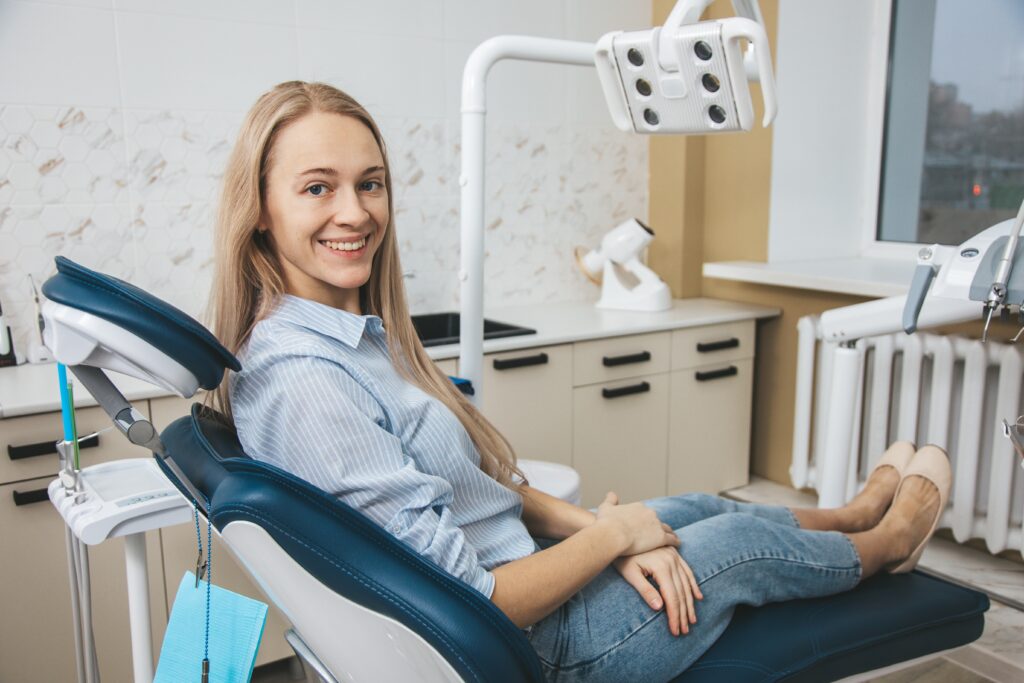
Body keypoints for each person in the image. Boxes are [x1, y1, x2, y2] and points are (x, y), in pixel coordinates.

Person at [209, 81, 950, 682]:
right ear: (262, 212)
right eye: (317, 188)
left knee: (691, 506)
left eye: (370, 183)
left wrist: (603, 528)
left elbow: (474, 490)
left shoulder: (354, 339)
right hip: (539, 646)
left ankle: (853, 515)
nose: (356, 211)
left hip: (531, 584)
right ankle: (886, 544)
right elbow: (468, 601)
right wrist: (615, 537)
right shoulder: (304, 379)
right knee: (737, 539)